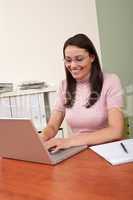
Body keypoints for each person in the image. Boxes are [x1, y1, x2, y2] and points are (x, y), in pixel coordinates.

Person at [42, 33, 124, 153]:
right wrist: (42, 137)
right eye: (68, 60)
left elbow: (115, 130)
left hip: (107, 151)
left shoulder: (111, 81)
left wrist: (69, 141)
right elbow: (53, 126)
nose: (73, 65)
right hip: (78, 151)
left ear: (92, 57)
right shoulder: (64, 85)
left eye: (79, 59)